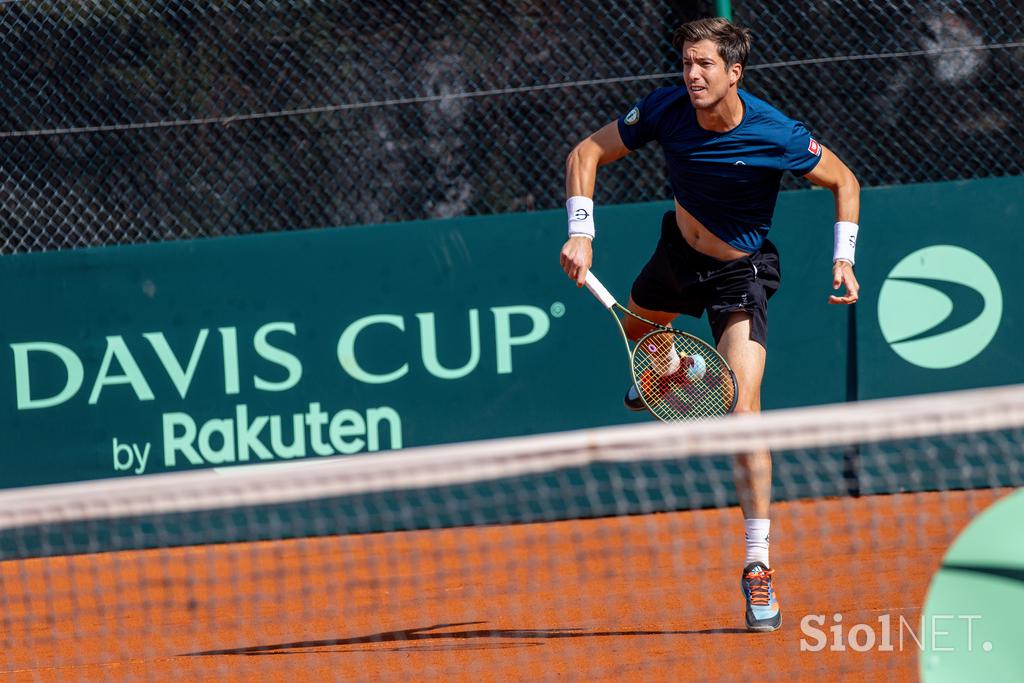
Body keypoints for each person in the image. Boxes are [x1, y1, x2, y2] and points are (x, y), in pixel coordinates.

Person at [558, 17, 860, 632]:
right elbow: (586, 152)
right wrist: (581, 233)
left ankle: (757, 566)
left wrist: (843, 258)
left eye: (704, 65)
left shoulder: (776, 132)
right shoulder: (667, 108)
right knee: (642, 336)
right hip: (677, 256)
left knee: (744, 412)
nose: (691, 75)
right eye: (687, 63)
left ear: (734, 73)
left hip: (738, 276)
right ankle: (669, 365)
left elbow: (844, 181)